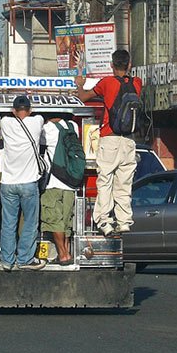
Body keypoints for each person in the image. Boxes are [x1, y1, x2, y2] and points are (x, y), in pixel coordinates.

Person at [75, 49, 142, 236]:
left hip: (109, 137)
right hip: (129, 140)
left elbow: (83, 97)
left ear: (112, 65)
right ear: (129, 65)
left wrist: (80, 83)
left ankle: (104, 221)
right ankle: (124, 221)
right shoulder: (137, 83)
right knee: (124, 182)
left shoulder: (107, 82)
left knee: (105, 180)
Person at [0, 95, 46, 271]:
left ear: (13, 111)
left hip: (8, 183)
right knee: (30, 222)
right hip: (28, 183)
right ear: (30, 110)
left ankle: (7, 260)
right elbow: (40, 117)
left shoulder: (5, 122)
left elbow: (4, 118)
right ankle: (25, 258)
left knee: (8, 222)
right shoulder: (37, 121)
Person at [40, 116, 79, 265]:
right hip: (70, 183)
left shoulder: (48, 129)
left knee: (54, 220)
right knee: (66, 220)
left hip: (53, 182)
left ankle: (62, 254)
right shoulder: (73, 126)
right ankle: (67, 252)